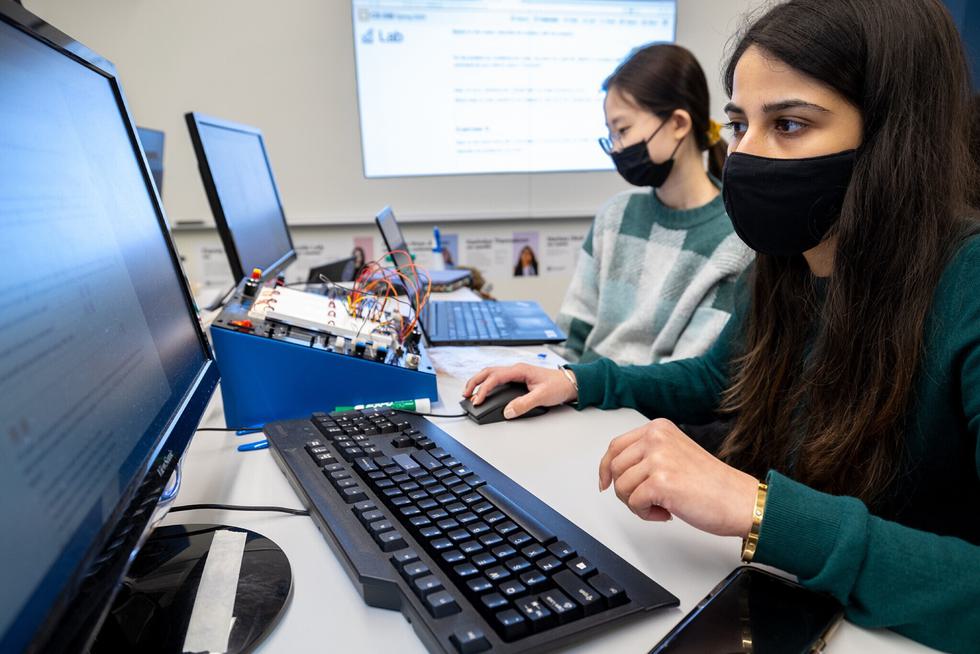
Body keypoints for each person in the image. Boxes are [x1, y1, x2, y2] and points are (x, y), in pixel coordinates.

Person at [463, 0, 980, 651]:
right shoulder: (790, 264)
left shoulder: (967, 285)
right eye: (739, 123)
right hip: (796, 604)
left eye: (788, 124)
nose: (743, 157)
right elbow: (718, 376)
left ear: (891, 137)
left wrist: (760, 508)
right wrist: (580, 382)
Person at [555, 43, 753, 365]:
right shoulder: (614, 216)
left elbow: (685, 378)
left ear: (678, 124)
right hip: (580, 398)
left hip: (644, 411)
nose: (616, 148)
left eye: (622, 130)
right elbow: (570, 336)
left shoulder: (735, 241)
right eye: (611, 134)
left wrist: (581, 387)